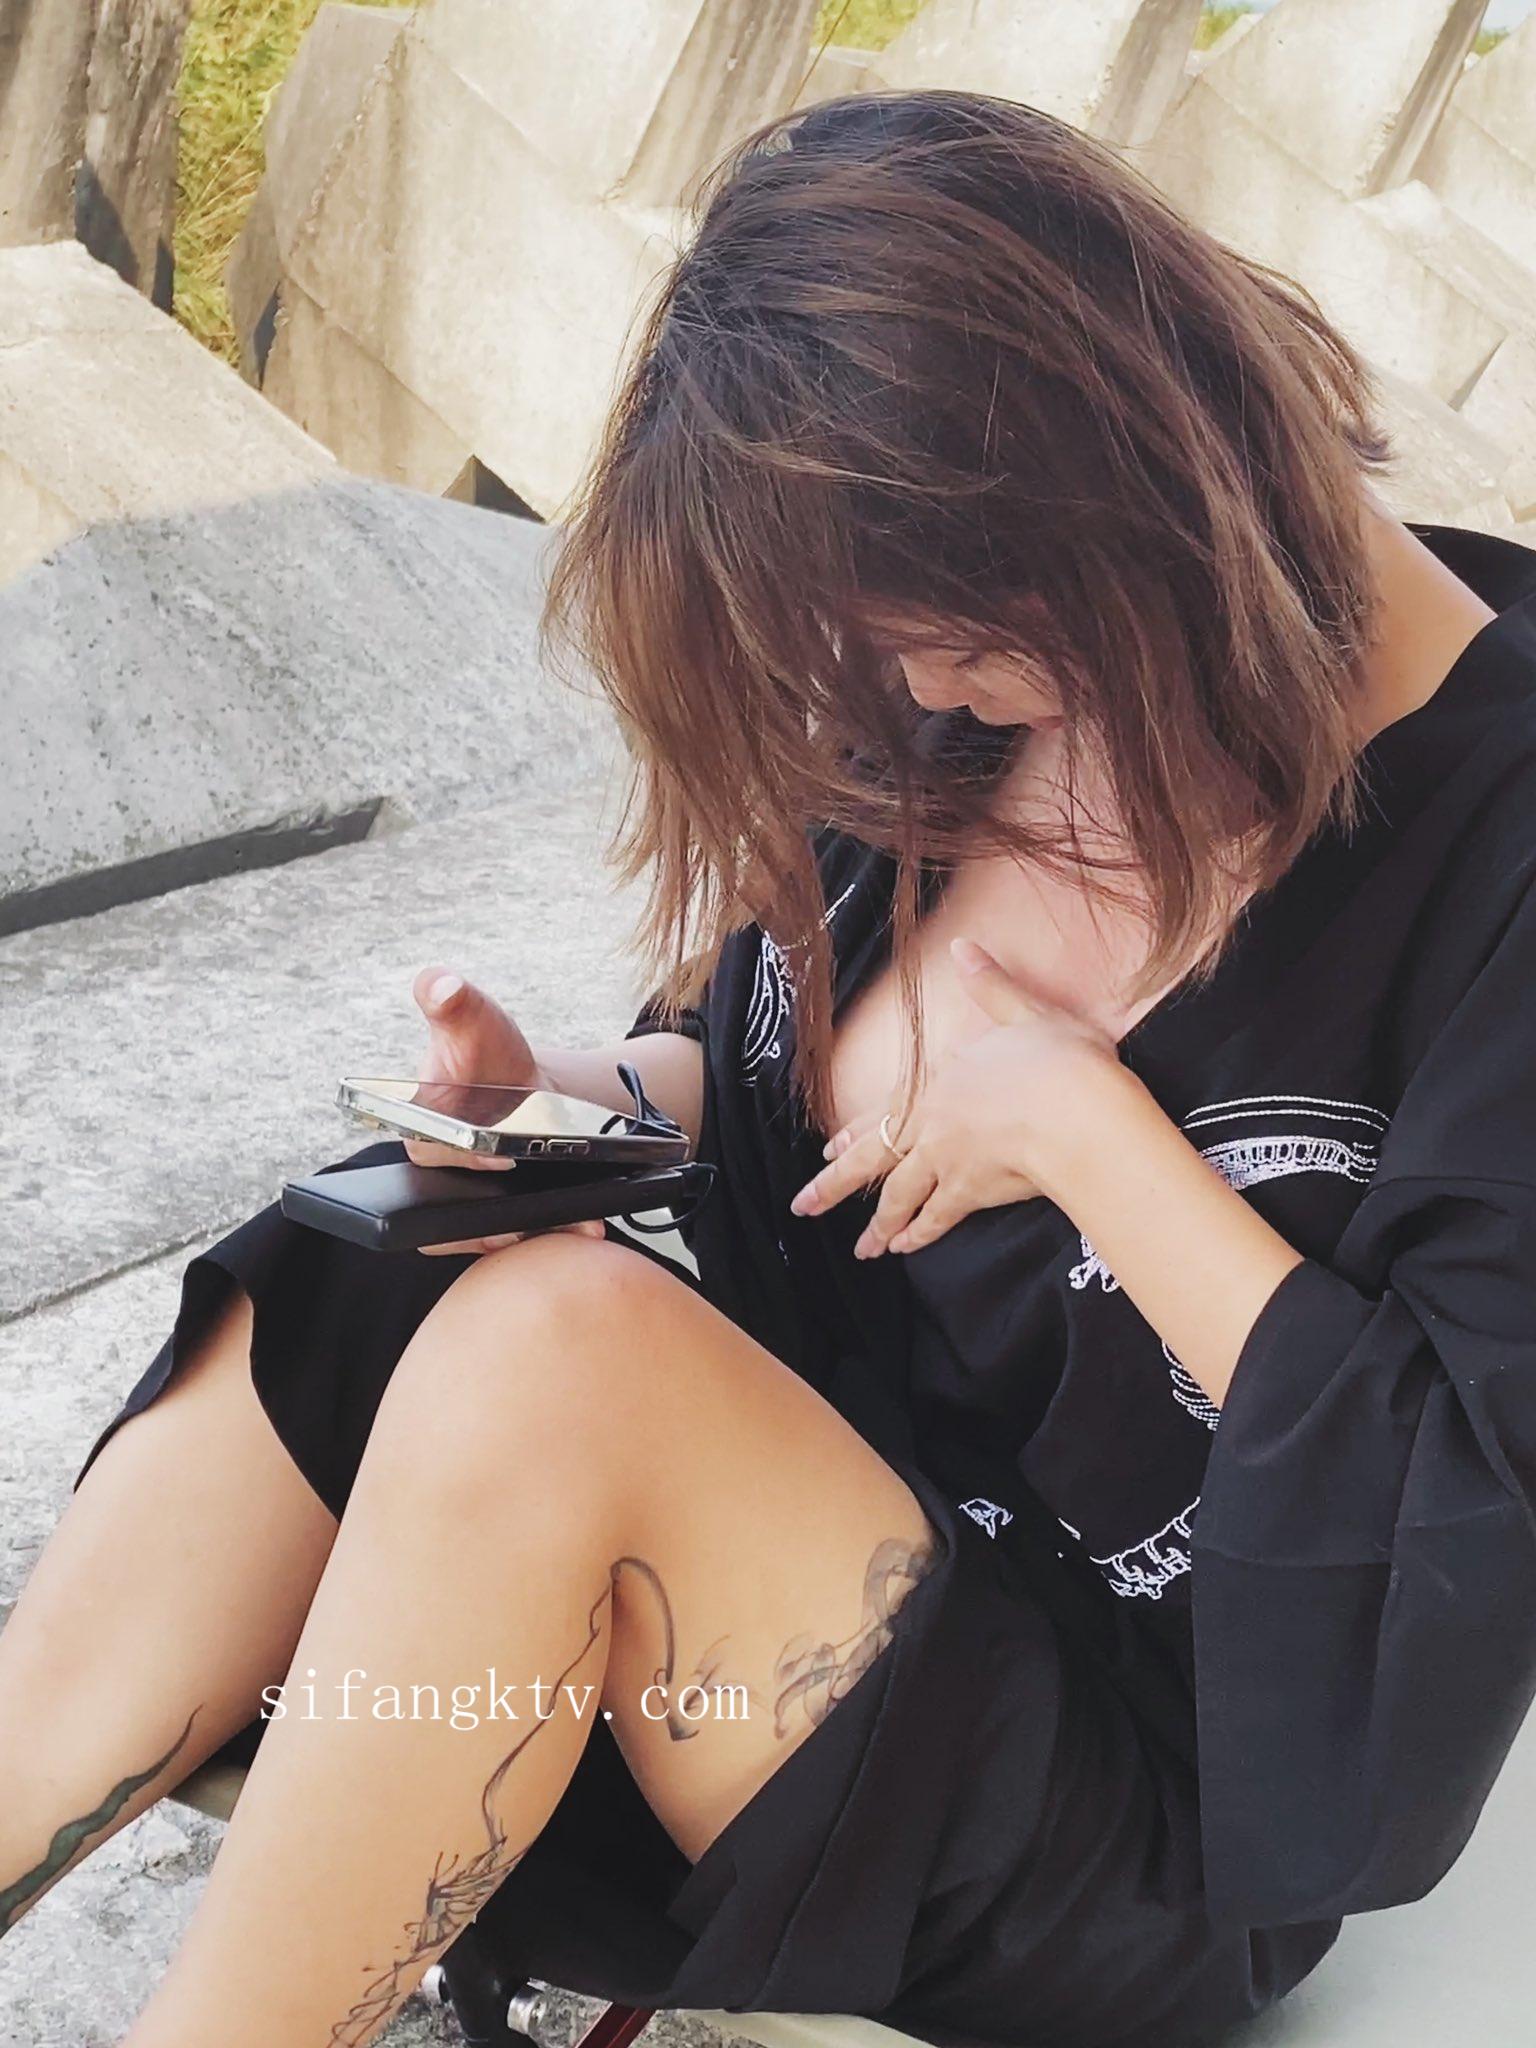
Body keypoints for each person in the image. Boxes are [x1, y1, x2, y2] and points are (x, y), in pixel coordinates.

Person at [4, 86, 1536, 2048]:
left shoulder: (1498, 862)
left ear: (1108, 493)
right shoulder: (990, 691)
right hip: (776, 1578)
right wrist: (564, 1104)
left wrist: (1090, 1134)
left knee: (561, 1351)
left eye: (955, 647)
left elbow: (1461, 1508)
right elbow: (771, 1086)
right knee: (382, 1241)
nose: (923, 699)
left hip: (1134, 1805)